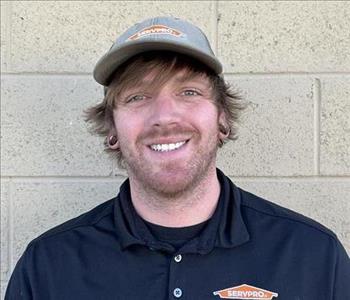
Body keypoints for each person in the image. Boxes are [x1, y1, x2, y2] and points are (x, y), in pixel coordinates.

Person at [5, 16, 350, 300]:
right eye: (138, 96)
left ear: (222, 119)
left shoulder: (313, 257)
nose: (165, 116)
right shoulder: (49, 266)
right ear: (112, 130)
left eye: (189, 92)